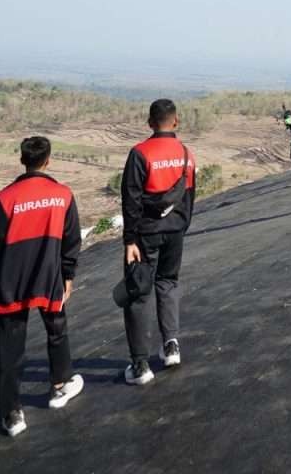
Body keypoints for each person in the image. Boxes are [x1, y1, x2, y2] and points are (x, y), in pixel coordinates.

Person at [0, 136, 83, 438]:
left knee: (10, 349)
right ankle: (59, 388)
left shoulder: (5, 198)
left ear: (23, 160)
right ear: (48, 160)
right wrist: (68, 276)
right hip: (50, 278)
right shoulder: (62, 194)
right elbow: (72, 240)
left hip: (10, 283)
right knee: (57, 331)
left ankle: (11, 414)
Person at [121, 99, 196, 386]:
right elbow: (190, 196)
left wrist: (130, 239)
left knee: (138, 292)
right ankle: (171, 346)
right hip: (175, 231)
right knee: (168, 283)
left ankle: (140, 365)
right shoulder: (187, 154)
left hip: (145, 235)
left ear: (150, 122)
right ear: (175, 121)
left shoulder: (140, 153)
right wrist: (181, 225)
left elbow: (131, 199)